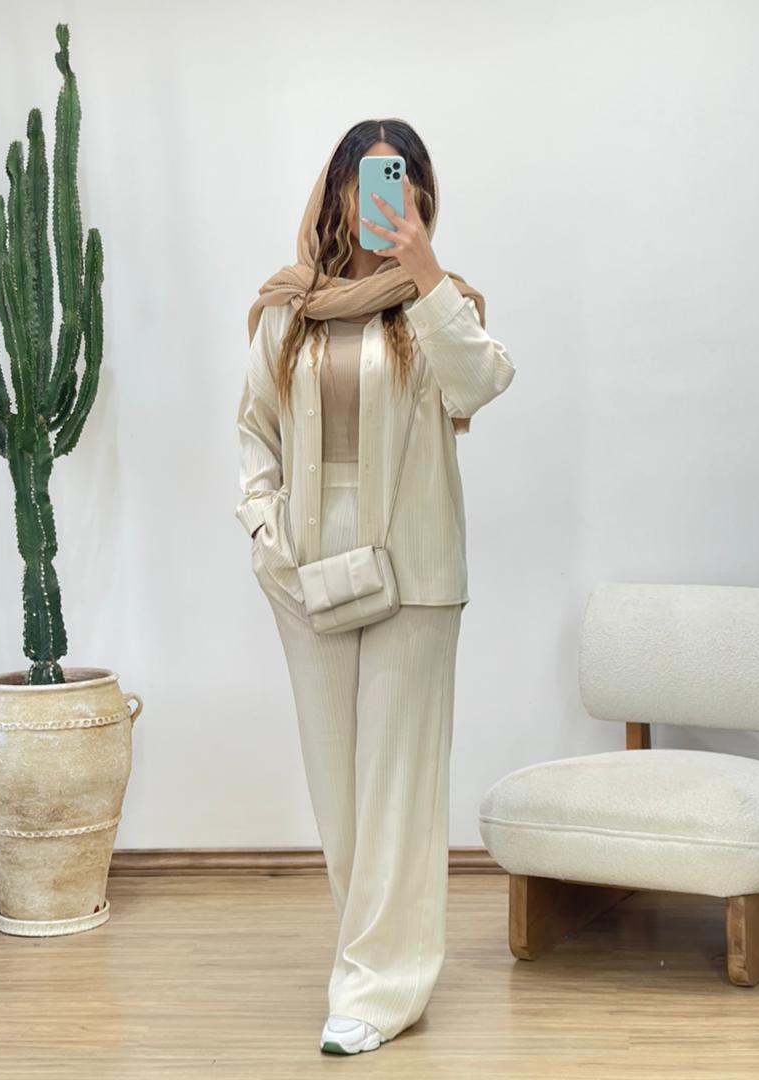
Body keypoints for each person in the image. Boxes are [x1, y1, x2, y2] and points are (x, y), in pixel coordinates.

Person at [235, 117, 516, 1055]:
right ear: (340, 192)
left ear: (422, 197)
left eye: (405, 181)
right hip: (305, 571)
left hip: (416, 574)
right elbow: (255, 433)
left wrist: (426, 275)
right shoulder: (289, 308)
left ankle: (377, 989)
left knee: (397, 786)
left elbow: (479, 385)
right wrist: (265, 532)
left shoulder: (441, 304)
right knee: (340, 790)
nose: (387, 198)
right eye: (371, 179)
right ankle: (376, 961)